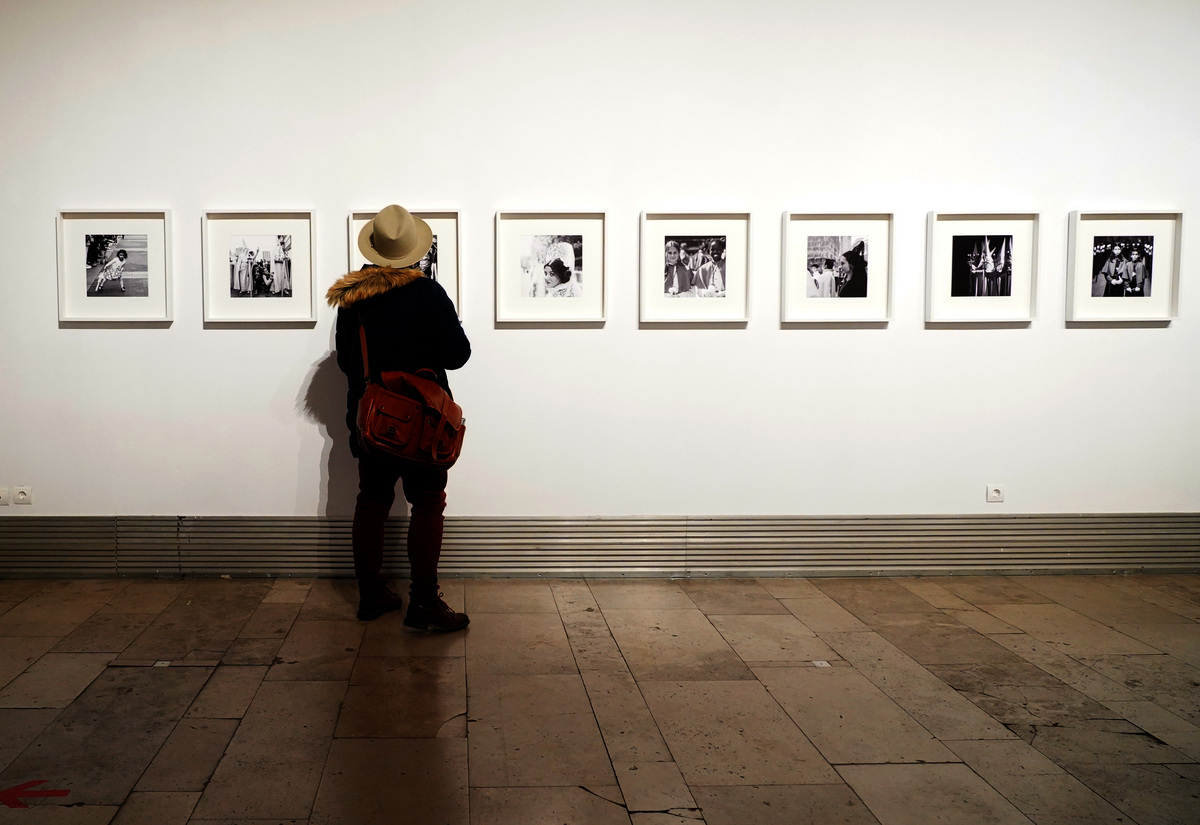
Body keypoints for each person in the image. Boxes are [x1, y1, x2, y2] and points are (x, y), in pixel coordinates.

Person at [326, 204, 471, 631]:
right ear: (414, 251)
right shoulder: (427, 292)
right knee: (427, 502)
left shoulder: (353, 296)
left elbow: (346, 362)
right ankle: (424, 603)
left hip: (371, 418)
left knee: (371, 501)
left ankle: (371, 595)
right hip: (423, 421)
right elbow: (458, 356)